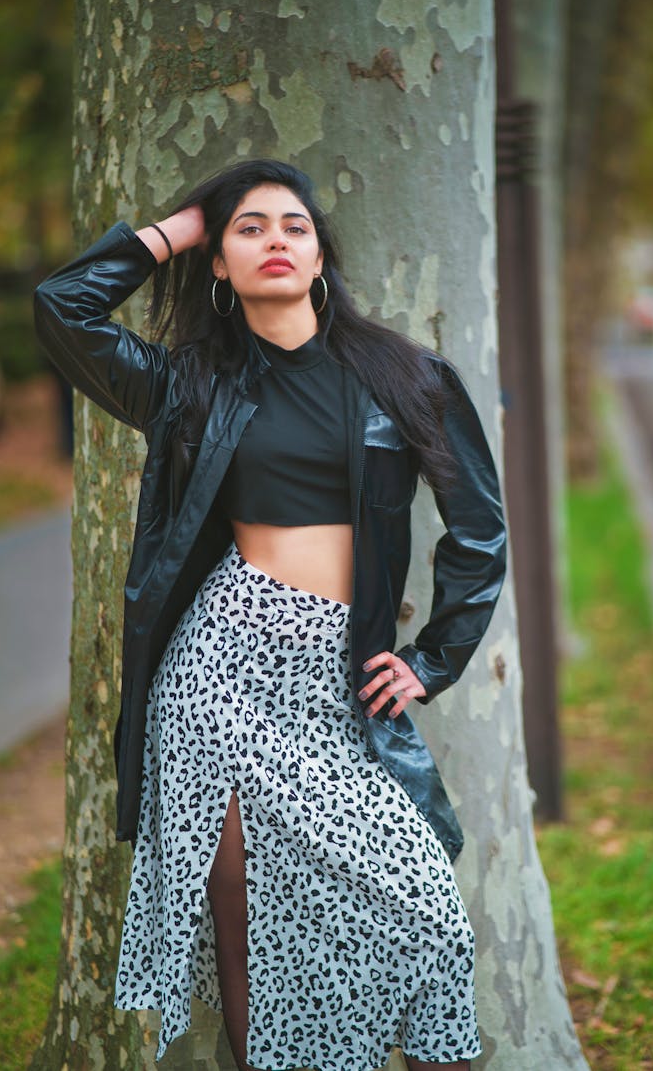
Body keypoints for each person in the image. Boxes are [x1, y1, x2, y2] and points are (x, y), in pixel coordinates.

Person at [34, 159, 506, 1071]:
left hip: (340, 677)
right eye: (249, 228)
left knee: (428, 914)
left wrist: (433, 657)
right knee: (243, 908)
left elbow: (478, 530)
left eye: (294, 225)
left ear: (322, 252)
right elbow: (62, 309)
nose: (275, 241)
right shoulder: (186, 385)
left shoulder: (408, 376)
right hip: (223, 665)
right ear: (220, 262)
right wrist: (180, 228)